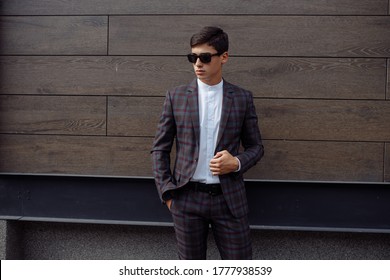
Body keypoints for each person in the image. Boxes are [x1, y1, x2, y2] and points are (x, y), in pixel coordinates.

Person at [151, 26, 264, 260]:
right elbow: (160, 148)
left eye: (205, 57)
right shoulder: (176, 97)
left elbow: (256, 147)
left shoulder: (242, 98)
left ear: (224, 57)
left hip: (229, 198)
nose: (198, 64)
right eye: (193, 57)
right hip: (186, 198)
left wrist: (237, 162)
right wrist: (168, 193)